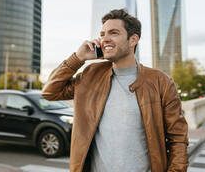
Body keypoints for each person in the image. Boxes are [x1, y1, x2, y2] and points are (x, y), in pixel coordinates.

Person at [42, 9, 188, 172]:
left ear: (133, 40)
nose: (105, 39)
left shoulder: (160, 82)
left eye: (114, 33)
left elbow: (178, 138)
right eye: (102, 34)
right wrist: (78, 58)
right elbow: (50, 92)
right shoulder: (90, 76)